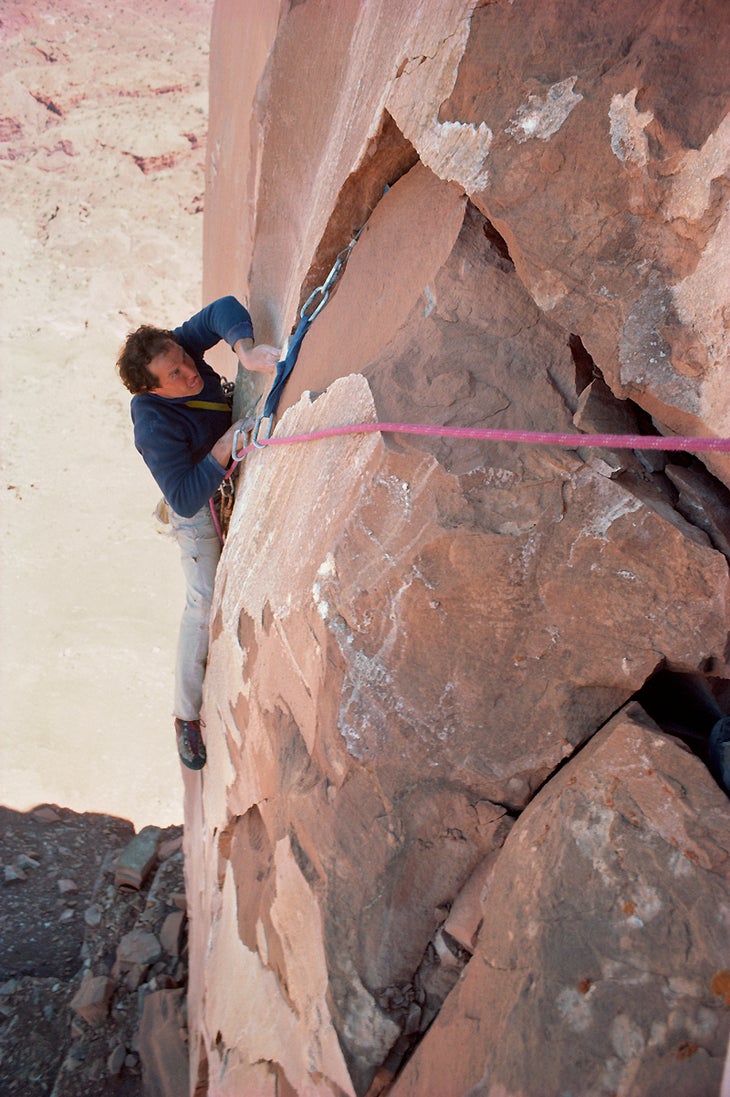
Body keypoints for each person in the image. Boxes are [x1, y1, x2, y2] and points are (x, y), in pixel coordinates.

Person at [116, 296, 280, 770]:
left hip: (216, 469)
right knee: (202, 602)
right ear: (152, 390)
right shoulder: (152, 425)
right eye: (176, 375)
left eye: (186, 359)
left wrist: (244, 349)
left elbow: (221, 310)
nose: (190, 371)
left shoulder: (174, 351)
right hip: (195, 506)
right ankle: (185, 716)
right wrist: (225, 448)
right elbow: (186, 496)